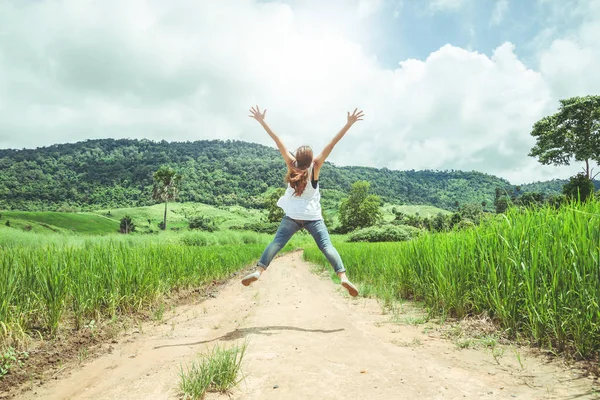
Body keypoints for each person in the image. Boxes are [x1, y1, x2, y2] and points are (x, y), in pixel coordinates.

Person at [241, 105, 364, 297]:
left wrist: (262, 121)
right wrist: (348, 124)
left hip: (292, 215)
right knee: (327, 246)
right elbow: (332, 143)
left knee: (276, 243)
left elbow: (278, 141)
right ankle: (343, 277)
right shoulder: (315, 167)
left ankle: (258, 271)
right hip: (313, 217)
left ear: (297, 157)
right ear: (311, 158)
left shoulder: (291, 165)